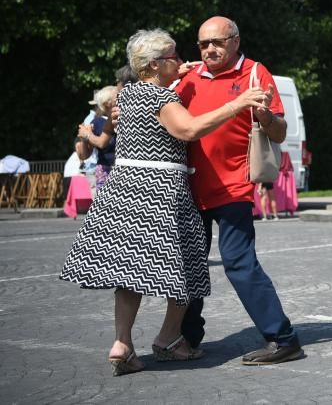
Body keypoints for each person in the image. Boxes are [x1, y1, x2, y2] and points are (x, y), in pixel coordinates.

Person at [60, 28, 268, 376]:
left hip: (123, 189)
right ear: (155, 64)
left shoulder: (125, 98)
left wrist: (175, 76)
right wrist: (237, 104)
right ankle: (169, 339)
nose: (182, 59)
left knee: (128, 273)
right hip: (161, 189)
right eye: (173, 56)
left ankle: (122, 344)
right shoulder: (163, 100)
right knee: (187, 267)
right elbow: (189, 130)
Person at [177, 16, 304, 365]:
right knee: (190, 266)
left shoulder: (254, 73)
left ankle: (283, 338)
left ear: (235, 40)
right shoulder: (187, 78)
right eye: (203, 44)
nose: (209, 50)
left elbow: (278, 133)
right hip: (190, 189)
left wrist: (264, 116)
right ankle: (186, 339)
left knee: (238, 261)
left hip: (234, 185)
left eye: (216, 42)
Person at [77, 85, 119, 191]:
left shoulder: (122, 117)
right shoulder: (96, 122)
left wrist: (87, 135)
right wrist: (84, 137)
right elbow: (84, 155)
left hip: (124, 168)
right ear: (107, 103)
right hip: (106, 170)